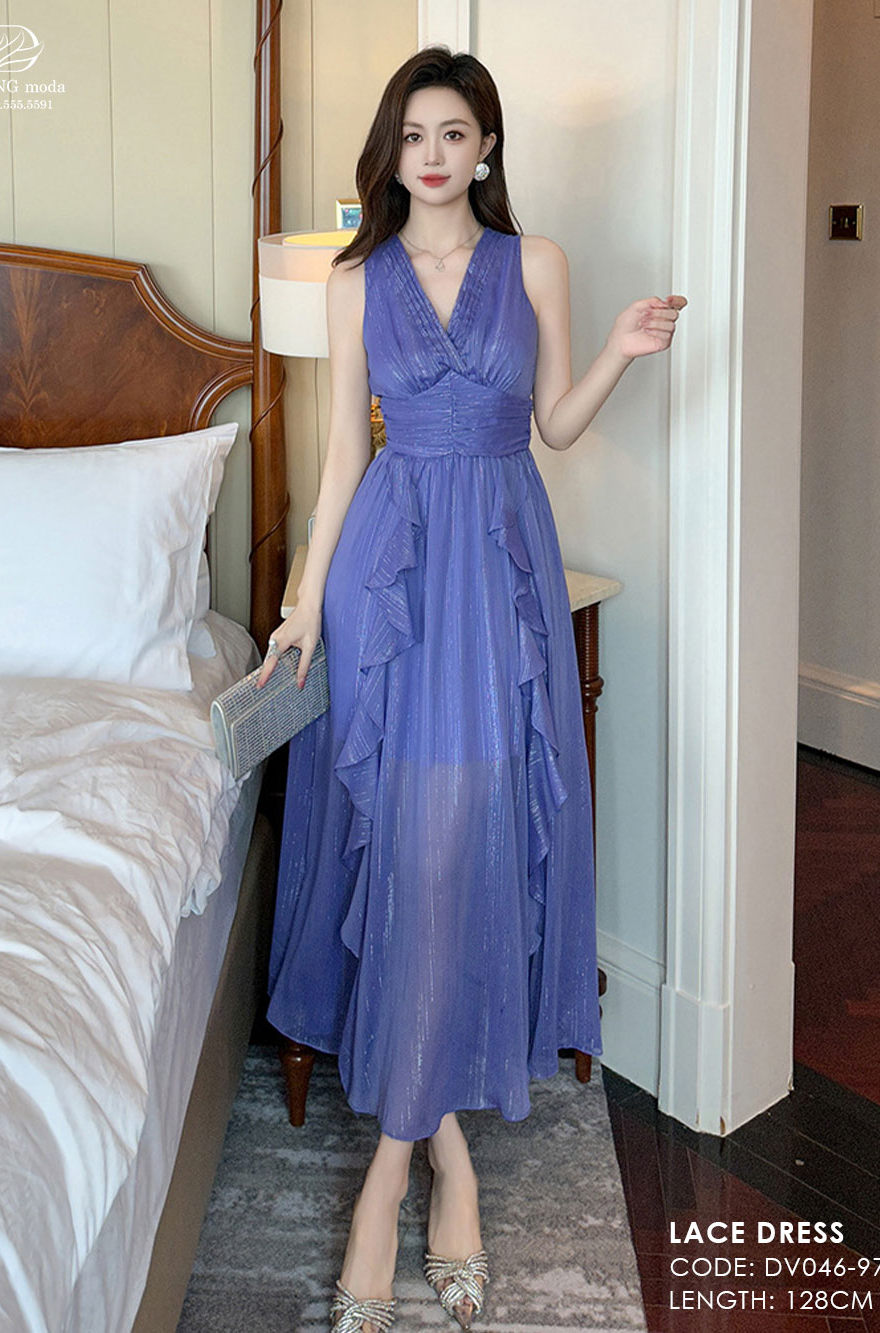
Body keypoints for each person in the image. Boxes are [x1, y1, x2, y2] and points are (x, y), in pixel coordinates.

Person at [257, 45, 686, 1333]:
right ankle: (437, 1163)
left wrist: (619, 351)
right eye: (413, 135)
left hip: (499, 576)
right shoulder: (355, 279)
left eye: (454, 133)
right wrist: (305, 604)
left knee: (462, 851)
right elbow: (343, 456)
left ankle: (392, 1172)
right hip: (394, 578)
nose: (433, 155)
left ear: (486, 145)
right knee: (410, 853)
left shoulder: (535, 263)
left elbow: (553, 426)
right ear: (391, 153)